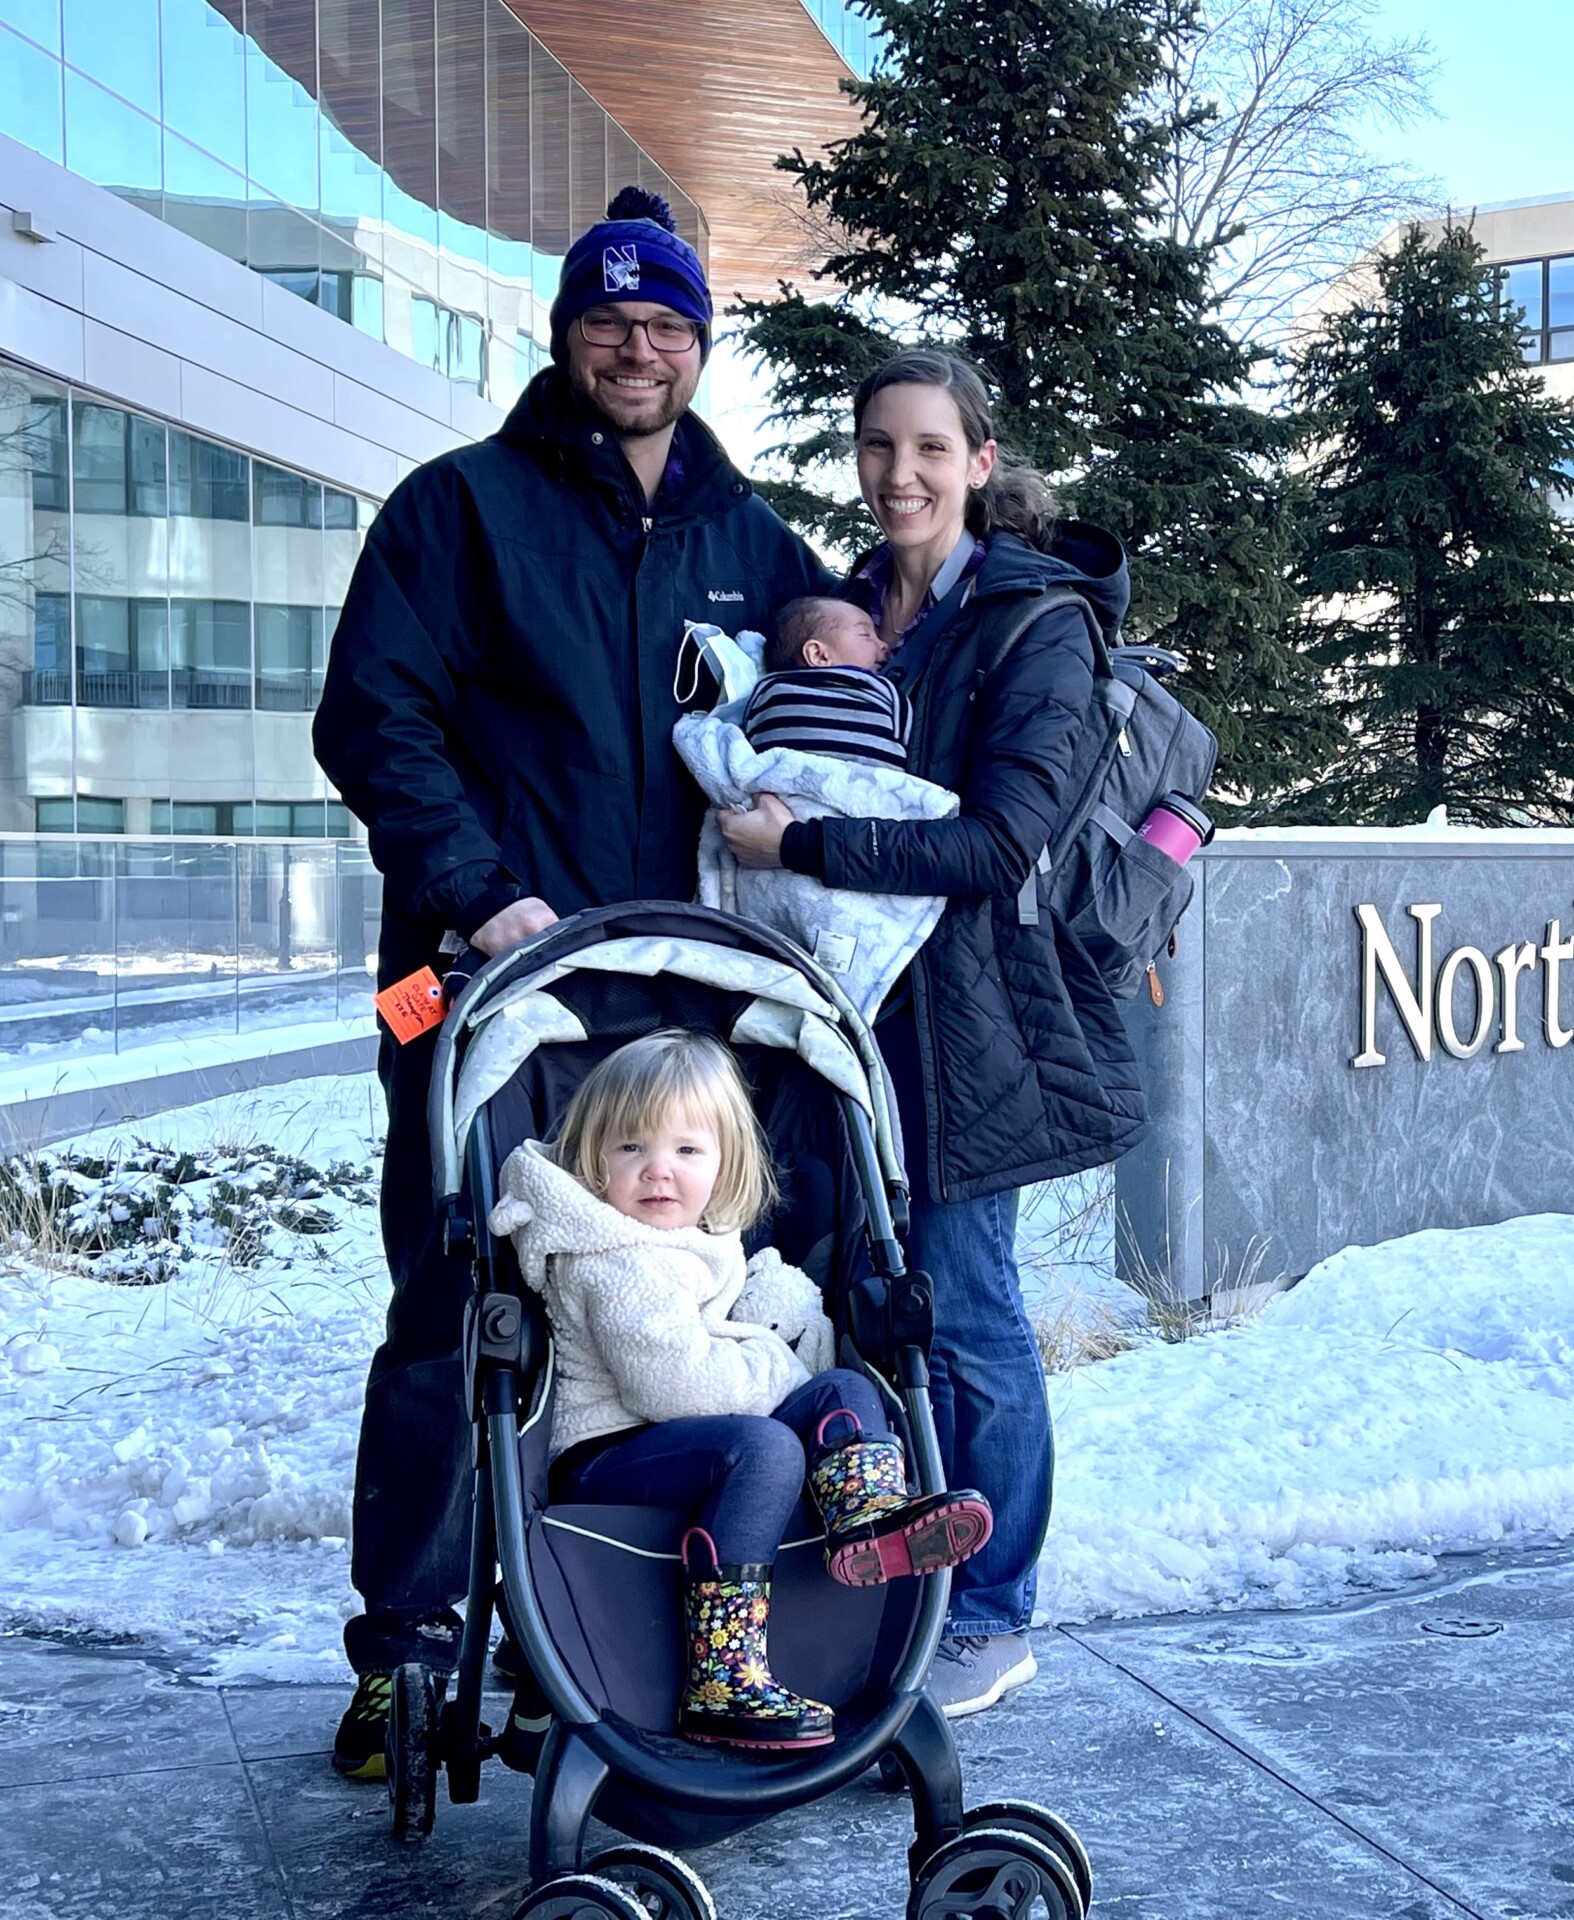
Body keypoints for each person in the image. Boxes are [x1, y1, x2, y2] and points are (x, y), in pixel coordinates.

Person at [312, 186, 834, 1779]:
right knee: (456, 1314)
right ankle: (407, 1653)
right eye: (609, 321)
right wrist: (479, 898)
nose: (637, 346)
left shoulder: (754, 543)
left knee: (679, 1310)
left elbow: (859, 696)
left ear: (699, 345)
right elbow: (371, 721)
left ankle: (619, 1637)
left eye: (667, 324)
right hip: (475, 989)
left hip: (674, 1022)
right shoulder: (457, 509)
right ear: (565, 337)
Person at [719, 349, 1146, 1721]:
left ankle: (998, 1608)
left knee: (966, 1308)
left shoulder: (1037, 620)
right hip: (836, 1018)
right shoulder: (843, 615)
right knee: (853, 1305)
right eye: (876, 447)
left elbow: (1004, 835)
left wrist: (810, 841)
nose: (900, 475)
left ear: (978, 459)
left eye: (928, 449)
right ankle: (894, 1581)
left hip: (972, 1026)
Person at [490, 1030, 992, 1750]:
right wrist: (775, 1366)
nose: (658, 1171)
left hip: (687, 1435)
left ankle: (868, 1520)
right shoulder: (610, 1259)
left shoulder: (688, 1241)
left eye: (687, 1152)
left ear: (724, 1167)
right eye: (631, 1148)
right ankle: (723, 1677)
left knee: (843, 1389)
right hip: (609, 1453)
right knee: (765, 1447)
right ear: (593, 1161)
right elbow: (677, 1386)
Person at [740, 596, 910, 770]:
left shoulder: (765, 690)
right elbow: (910, 740)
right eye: (866, 634)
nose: (883, 644)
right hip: (874, 789)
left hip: (783, 786)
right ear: (819, 655)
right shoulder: (881, 689)